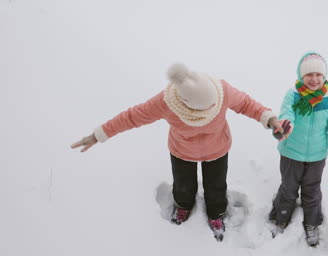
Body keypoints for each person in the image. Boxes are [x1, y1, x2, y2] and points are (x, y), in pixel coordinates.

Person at [71, 63, 283, 242]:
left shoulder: (222, 91)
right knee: (183, 186)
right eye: (206, 107)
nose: (213, 107)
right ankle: (183, 206)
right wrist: (98, 135)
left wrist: (270, 119)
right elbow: (132, 117)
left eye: (214, 104)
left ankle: (216, 213)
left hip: (218, 149)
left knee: (216, 186)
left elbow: (246, 104)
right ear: (187, 105)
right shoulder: (166, 102)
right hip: (182, 152)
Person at [269, 52, 328, 247]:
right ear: (301, 76)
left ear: (324, 76)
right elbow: (287, 114)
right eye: (309, 75)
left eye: (318, 75)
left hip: (316, 157)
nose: (314, 79)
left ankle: (312, 223)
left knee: (312, 191)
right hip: (291, 153)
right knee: (288, 188)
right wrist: (284, 127)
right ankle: (282, 216)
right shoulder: (293, 95)